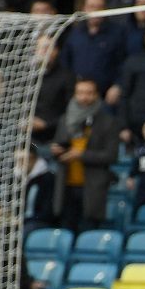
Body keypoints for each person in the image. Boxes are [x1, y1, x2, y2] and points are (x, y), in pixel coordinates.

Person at [51, 78, 120, 233]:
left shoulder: (108, 122)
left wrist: (81, 155)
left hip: (92, 188)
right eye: (80, 93)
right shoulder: (65, 119)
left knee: (88, 232)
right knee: (66, 231)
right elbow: (59, 145)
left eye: (89, 93)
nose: (84, 97)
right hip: (66, 186)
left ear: (96, 95)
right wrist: (57, 151)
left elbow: (111, 155)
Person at [18, 144, 57, 237]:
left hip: (41, 222)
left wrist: (24, 219)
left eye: (23, 160)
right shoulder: (18, 180)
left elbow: (48, 211)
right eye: (18, 160)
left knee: (22, 233)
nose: (20, 164)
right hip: (24, 221)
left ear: (33, 158)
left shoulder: (48, 178)